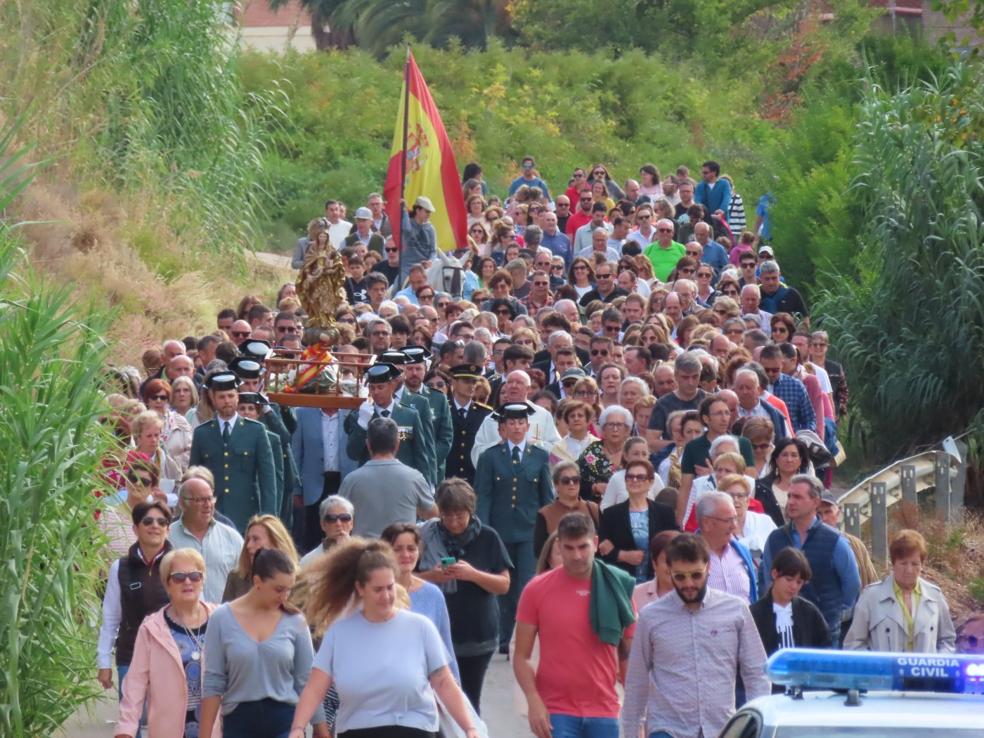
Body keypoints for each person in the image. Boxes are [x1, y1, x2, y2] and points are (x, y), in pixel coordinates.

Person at [290, 538, 481, 738]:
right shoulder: (339, 633)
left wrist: (469, 728)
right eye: (378, 590)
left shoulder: (421, 627)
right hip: (357, 729)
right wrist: (298, 727)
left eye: (390, 587)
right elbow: (315, 687)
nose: (386, 596)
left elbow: (443, 682)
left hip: (413, 727)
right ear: (360, 589)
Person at [621, 534, 769, 738]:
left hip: (720, 727)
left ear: (708, 568)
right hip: (668, 728)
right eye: (680, 577)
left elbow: (756, 673)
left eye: (696, 575)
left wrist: (757, 726)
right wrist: (630, 733)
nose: (688, 583)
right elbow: (637, 681)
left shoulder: (736, 610)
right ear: (669, 572)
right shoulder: (650, 617)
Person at [515, 512, 636, 738]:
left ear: (596, 544)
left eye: (583, 547)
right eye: (569, 548)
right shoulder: (536, 589)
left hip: (605, 708)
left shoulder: (617, 586)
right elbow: (521, 656)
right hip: (556, 710)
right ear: (558, 546)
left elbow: (628, 655)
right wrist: (533, 701)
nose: (577, 555)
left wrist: (636, 713)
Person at [201, 549, 327, 738]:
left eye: (289, 589)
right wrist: (204, 734)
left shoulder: (295, 620)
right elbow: (213, 680)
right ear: (257, 581)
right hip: (238, 722)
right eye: (279, 589)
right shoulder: (221, 618)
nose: (285, 596)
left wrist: (320, 728)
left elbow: (305, 679)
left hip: (284, 721)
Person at [419, 479, 512, 712]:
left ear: (470, 511)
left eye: (459, 516)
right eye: (447, 516)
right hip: (436, 633)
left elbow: (504, 585)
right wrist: (433, 576)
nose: (453, 522)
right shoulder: (426, 537)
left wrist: (473, 575)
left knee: (470, 702)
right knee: (437, 704)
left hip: (477, 636)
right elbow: (405, 579)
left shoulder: (488, 537)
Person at [475, 403, 555, 655]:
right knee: (504, 588)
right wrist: (484, 531)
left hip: (530, 532)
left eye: (521, 423)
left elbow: (547, 499)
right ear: (503, 428)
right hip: (500, 530)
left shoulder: (540, 456)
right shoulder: (490, 456)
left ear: (528, 427)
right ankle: (504, 637)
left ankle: (525, 638)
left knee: (527, 585)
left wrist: (549, 533)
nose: (517, 427)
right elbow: (483, 497)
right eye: (511, 423)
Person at [114, 548, 218, 738]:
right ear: (166, 584)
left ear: (202, 581)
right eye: (178, 577)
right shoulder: (152, 629)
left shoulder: (222, 621)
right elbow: (135, 685)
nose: (188, 582)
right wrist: (126, 730)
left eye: (195, 576)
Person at [761, 474, 861, 647]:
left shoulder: (835, 541)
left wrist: (833, 614)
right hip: (783, 631)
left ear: (815, 502)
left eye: (798, 497)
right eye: (789, 496)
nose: (791, 501)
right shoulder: (775, 539)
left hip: (824, 633)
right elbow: (767, 581)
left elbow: (852, 585)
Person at [97, 502, 174, 702]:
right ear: (135, 528)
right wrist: (103, 660)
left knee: (167, 724)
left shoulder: (180, 564)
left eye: (161, 522)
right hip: (130, 654)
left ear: (168, 529)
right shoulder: (120, 567)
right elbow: (111, 617)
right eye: (147, 521)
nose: (154, 526)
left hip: (171, 656)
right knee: (130, 723)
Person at [189, 372, 277, 534]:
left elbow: (268, 478)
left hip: (246, 513)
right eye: (221, 397)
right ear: (213, 399)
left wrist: (268, 517)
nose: (227, 401)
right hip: (212, 513)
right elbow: (193, 476)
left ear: (237, 397)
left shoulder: (256, 431)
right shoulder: (202, 433)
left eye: (230, 396)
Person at [845, 529, 956, 653]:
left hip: (925, 672)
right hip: (885, 672)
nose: (909, 570)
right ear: (893, 563)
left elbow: (947, 640)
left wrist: (937, 664)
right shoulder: (871, 597)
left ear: (922, 565)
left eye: (915, 564)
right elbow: (853, 644)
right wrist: (876, 667)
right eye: (903, 563)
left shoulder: (935, 596)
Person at [381, 523, 460, 681]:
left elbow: (444, 645)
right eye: (397, 549)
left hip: (426, 684)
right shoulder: (376, 593)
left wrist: (454, 687)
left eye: (411, 548)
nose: (405, 555)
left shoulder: (433, 594)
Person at [337, 417, 437, 538]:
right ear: (397, 444)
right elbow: (433, 515)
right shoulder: (415, 478)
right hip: (402, 553)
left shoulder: (351, 480)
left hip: (364, 553)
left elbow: (337, 517)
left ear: (368, 444)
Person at [749, 547, 830, 689]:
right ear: (774, 574)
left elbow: (825, 652)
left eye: (799, 582)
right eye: (789, 579)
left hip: (804, 691)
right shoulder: (755, 614)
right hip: (768, 691)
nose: (793, 586)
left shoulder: (810, 613)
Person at [168, 472, 244, 604]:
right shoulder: (167, 537)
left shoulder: (232, 538)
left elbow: (244, 580)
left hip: (223, 619)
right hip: (180, 619)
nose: (208, 504)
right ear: (182, 503)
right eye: (200, 500)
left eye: (210, 498)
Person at [598, 459, 678, 583]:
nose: (634, 480)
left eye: (640, 477)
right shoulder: (611, 514)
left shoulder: (665, 513)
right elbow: (601, 551)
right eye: (630, 477)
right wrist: (622, 555)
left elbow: (676, 545)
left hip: (659, 581)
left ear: (651, 482)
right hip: (622, 582)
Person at [694, 492, 758, 603]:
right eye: (728, 520)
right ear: (706, 523)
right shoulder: (687, 556)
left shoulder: (741, 552)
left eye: (735, 519)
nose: (734, 526)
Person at [222, 515, 299, 602]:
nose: (248, 545)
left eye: (255, 539)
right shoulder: (236, 578)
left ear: (275, 542)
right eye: (248, 540)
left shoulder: (299, 581)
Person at [533, 461, 600, 557]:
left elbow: (602, 544)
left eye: (575, 480)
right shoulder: (545, 514)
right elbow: (539, 551)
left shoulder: (593, 508)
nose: (571, 483)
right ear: (556, 486)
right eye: (566, 481)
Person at [445, 363, 494, 485]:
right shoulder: (443, 409)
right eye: (466, 381)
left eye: (474, 382)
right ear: (454, 383)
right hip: (447, 477)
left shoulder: (485, 413)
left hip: (474, 479)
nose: (471, 386)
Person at [577, 404, 633, 505]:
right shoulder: (592, 452)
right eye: (611, 425)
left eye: (619, 425)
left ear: (627, 430)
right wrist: (594, 487)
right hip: (596, 509)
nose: (615, 429)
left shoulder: (634, 450)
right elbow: (575, 480)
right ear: (603, 429)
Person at [632, 529, 680, 612]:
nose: (673, 567)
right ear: (654, 563)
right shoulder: (635, 595)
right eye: (668, 561)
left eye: (679, 561)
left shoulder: (694, 595)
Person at [299, 496, 354, 567]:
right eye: (332, 519)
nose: (338, 523)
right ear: (323, 525)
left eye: (345, 518)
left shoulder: (363, 557)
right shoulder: (308, 561)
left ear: (352, 524)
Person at [399, 196, 438, 283]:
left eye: (430, 212)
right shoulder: (407, 222)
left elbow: (433, 250)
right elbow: (407, 230)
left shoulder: (430, 228)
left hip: (425, 267)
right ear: (418, 210)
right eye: (427, 211)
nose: (429, 214)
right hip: (408, 267)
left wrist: (430, 261)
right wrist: (404, 210)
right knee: (397, 288)